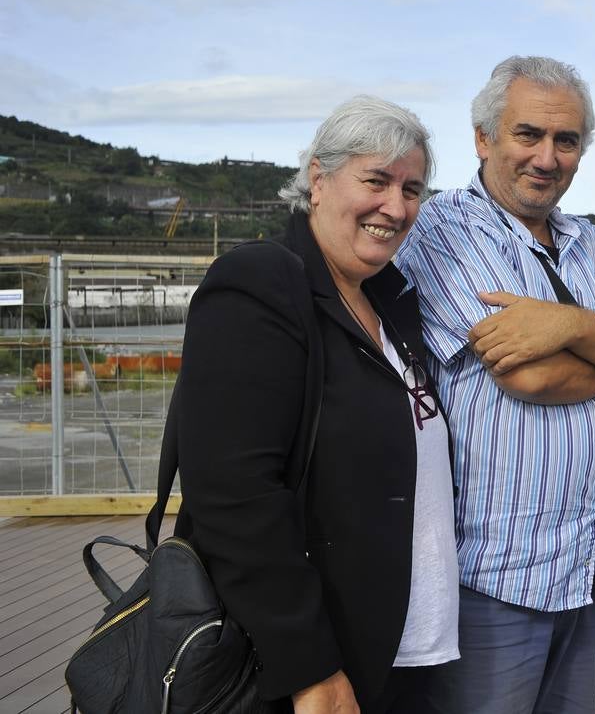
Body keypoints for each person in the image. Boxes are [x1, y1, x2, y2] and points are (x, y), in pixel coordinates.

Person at [396, 55, 595, 714]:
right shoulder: (445, 231)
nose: (547, 157)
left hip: (583, 570)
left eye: (566, 140)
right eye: (529, 135)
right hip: (493, 578)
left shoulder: (589, 242)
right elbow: (531, 374)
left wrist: (563, 321)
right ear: (484, 138)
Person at [172, 96, 459, 713]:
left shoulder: (390, 301)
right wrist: (310, 668)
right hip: (317, 665)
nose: (396, 206)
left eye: (412, 189)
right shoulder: (261, 284)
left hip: (408, 646)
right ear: (319, 181)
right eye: (376, 181)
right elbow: (234, 493)